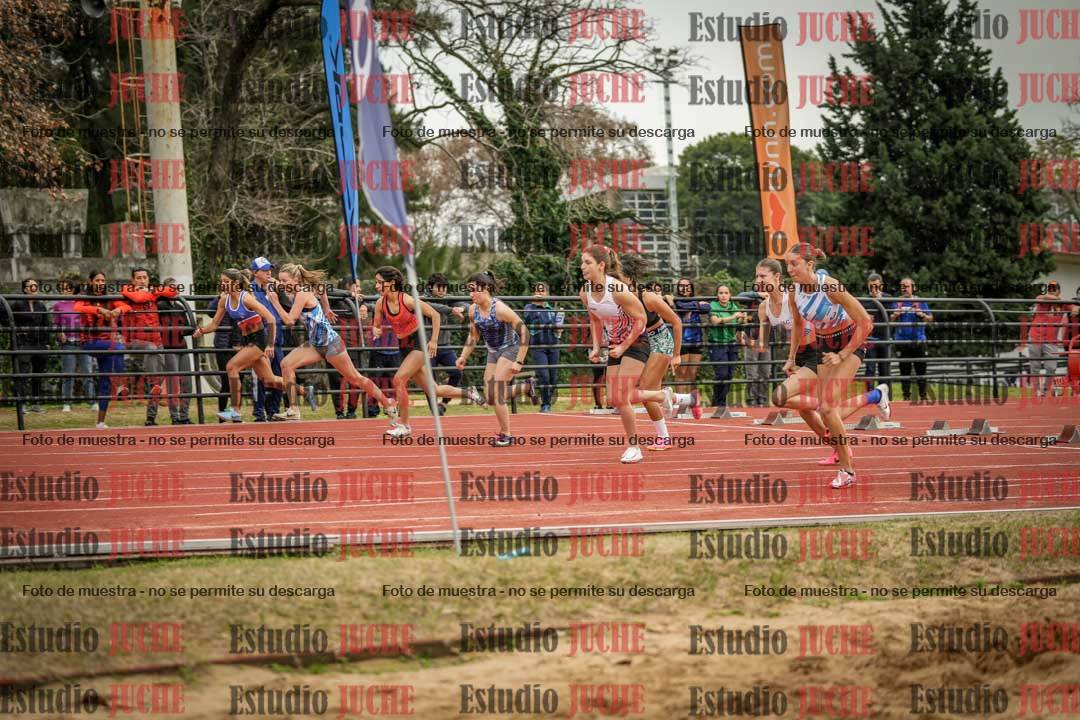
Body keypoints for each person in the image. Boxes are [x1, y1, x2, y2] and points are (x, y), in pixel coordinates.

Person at [785, 245, 887, 488]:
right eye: (787, 264)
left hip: (850, 343)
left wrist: (842, 355)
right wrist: (791, 357)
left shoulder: (830, 286)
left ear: (810, 265)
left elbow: (866, 323)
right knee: (819, 408)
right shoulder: (794, 291)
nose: (789, 269)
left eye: (794, 263)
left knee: (828, 409)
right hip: (824, 346)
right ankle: (874, 396)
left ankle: (848, 470)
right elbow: (798, 325)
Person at [579, 245, 675, 464]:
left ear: (601, 265)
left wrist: (623, 346)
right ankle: (661, 396)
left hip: (636, 341)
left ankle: (634, 447)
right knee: (614, 399)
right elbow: (594, 319)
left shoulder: (618, 289)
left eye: (587, 262)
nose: (582, 266)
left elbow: (641, 319)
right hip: (615, 343)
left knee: (622, 396)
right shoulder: (585, 292)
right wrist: (596, 346)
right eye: (582, 262)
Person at [273, 264, 400, 425]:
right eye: (280, 280)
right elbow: (322, 289)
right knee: (286, 364)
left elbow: (290, 320)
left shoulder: (302, 293)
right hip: (315, 344)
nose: (282, 284)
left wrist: (275, 302)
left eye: (285, 281)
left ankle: (388, 404)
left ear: (296, 279)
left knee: (355, 378)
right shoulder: (298, 290)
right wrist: (326, 309)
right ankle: (293, 410)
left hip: (331, 344)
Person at [373, 266, 482, 438]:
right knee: (434, 389)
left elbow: (435, 315)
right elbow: (376, 324)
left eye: (380, 283)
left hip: (419, 343)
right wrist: (376, 330)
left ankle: (405, 426)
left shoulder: (408, 300)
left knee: (399, 379)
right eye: (376, 282)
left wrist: (434, 341)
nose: (376, 286)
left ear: (392, 283)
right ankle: (468, 392)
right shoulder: (381, 303)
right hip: (404, 346)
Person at [620, 255, 697, 450]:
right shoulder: (619, 297)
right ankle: (685, 399)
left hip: (660, 340)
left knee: (645, 389)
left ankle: (664, 437)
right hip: (640, 343)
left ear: (629, 278)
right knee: (646, 392)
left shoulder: (648, 297)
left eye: (617, 277)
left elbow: (677, 322)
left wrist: (677, 354)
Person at [192, 268, 288, 423]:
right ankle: (303, 391)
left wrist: (270, 344)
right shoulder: (224, 300)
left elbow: (270, 318)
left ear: (236, 283)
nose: (222, 284)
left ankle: (235, 411)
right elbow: (215, 324)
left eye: (226, 281)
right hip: (247, 341)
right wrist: (201, 331)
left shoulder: (247, 298)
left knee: (232, 367)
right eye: (221, 281)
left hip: (259, 341)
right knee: (269, 379)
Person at [455, 271, 533, 446]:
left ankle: (506, 435)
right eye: (469, 290)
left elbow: (524, 332)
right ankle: (526, 387)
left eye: (474, 290)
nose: (471, 294)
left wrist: (519, 361)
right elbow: (474, 336)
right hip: (493, 352)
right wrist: (463, 356)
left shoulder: (500, 309)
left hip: (511, 349)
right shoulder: (473, 310)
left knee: (496, 391)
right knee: (490, 397)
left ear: (486, 288)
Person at [74, 270, 131, 428]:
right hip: (90, 342)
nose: (100, 283)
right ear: (90, 281)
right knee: (118, 347)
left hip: (107, 345)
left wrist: (118, 310)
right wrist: (99, 310)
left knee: (105, 381)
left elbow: (127, 306)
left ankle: (100, 422)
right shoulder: (85, 297)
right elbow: (77, 307)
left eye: (102, 281)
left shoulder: (109, 297)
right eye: (97, 280)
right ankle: (120, 383)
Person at [121, 268, 176, 426]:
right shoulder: (127, 289)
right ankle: (153, 384)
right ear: (133, 280)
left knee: (161, 377)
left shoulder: (152, 290)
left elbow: (172, 291)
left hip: (156, 342)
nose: (142, 280)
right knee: (153, 363)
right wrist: (152, 293)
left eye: (145, 277)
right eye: (138, 278)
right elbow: (137, 298)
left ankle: (151, 418)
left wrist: (152, 291)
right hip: (135, 342)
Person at [425, 273, 467, 415]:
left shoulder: (447, 299)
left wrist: (461, 309)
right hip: (427, 346)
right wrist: (451, 310)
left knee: (457, 372)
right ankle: (434, 409)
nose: (443, 290)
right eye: (439, 287)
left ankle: (444, 403)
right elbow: (432, 306)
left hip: (444, 345)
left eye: (445, 287)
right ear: (430, 287)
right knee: (429, 380)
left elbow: (466, 304)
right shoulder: (423, 298)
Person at [52, 277, 95, 412]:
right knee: (68, 373)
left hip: (84, 342)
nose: (64, 291)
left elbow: (89, 320)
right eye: (62, 288)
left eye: (67, 288)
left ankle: (92, 402)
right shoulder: (58, 305)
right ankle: (67, 403)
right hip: (68, 343)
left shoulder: (82, 302)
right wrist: (59, 333)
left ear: (73, 289)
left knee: (87, 372)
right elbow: (56, 324)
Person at [156, 277, 194, 424]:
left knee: (187, 383)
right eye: (170, 287)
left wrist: (180, 329)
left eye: (176, 287)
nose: (174, 290)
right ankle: (175, 417)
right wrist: (179, 329)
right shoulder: (161, 305)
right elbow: (165, 327)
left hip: (182, 346)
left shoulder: (179, 305)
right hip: (169, 347)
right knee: (173, 383)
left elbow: (189, 327)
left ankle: (184, 415)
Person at [889, 278, 933, 403]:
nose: (904, 288)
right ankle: (906, 397)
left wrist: (921, 314)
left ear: (913, 287)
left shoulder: (920, 301)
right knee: (904, 371)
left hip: (919, 341)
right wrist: (895, 314)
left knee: (921, 370)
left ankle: (923, 396)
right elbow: (889, 320)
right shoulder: (897, 302)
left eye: (907, 286)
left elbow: (930, 319)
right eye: (902, 286)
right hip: (902, 342)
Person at [523, 283, 564, 412]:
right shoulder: (529, 307)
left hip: (553, 345)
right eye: (537, 291)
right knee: (544, 376)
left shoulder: (551, 309)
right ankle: (545, 403)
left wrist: (559, 328)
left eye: (542, 291)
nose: (540, 293)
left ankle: (546, 401)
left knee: (553, 378)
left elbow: (557, 329)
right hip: (538, 346)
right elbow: (528, 319)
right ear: (533, 294)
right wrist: (536, 304)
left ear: (547, 294)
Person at [11, 278, 51, 413]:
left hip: (39, 344)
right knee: (22, 374)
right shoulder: (17, 304)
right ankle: (21, 404)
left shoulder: (41, 306)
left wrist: (47, 343)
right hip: (24, 344)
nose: (35, 288)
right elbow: (8, 320)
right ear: (25, 289)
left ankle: (35, 403)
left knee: (38, 374)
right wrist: (17, 331)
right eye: (32, 286)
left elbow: (46, 325)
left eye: (36, 286)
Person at [708, 284, 747, 411]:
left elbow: (739, 324)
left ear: (730, 295)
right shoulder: (713, 305)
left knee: (729, 374)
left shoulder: (733, 306)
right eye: (721, 293)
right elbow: (715, 321)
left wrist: (743, 319)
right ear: (717, 295)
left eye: (726, 293)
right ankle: (717, 402)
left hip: (731, 343)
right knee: (722, 373)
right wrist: (734, 316)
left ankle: (721, 402)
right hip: (717, 343)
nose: (724, 295)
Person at [1027, 280, 1069, 397]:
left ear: (1059, 291)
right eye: (1049, 289)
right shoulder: (1042, 299)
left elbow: (1074, 306)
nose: (1051, 291)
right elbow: (1039, 297)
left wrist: (1076, 308)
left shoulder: (1063, 304)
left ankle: (1045, 391)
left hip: (1051, 340)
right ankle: (1036, 391)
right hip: (1035, 337)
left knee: (1051, 367)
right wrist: (1056, 298)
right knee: (1035, 367)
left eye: (1054, 289)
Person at [672, 279, 711, 396]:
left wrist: (694, 305)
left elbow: (707, 308)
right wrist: (698, 305)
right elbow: (681, 306)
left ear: (691, 288)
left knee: (693, 372)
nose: (684, 288)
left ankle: (692, 401)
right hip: (682, 340)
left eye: (687, 286)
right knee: (681, 372)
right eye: (681, 286)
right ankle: (680, 401)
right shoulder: (676, 300)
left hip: (696, 340)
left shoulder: (695, 300)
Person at [205, 293, 238, 417]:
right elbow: (210, 312)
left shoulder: (243, 297)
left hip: (239, 344)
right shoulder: (221, 298)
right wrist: (220, 297)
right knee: (226, 381)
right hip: (223, 344)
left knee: (238, 380)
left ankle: (235, 415)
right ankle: (223, 416)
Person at [738, 290, 770, 408]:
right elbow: (740, 296)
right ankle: (752, 400)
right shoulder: (750, 299)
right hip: (751, 340)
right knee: (752, 373)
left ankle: (762, 399)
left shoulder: (770, 298)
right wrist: (758, 294)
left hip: (766, 341)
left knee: (766, 372)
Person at [862, 273, 891, 394]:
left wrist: (879, 299)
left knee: (884, 368)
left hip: (885, 337)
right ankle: (869, 395)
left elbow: (892, 316)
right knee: (870, 368)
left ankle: (884, 395)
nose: (874, 289)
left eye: (876, 286)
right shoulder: (864, 301)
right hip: (870, 339)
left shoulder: (888, 299)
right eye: (871, 286)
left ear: (881, 286)